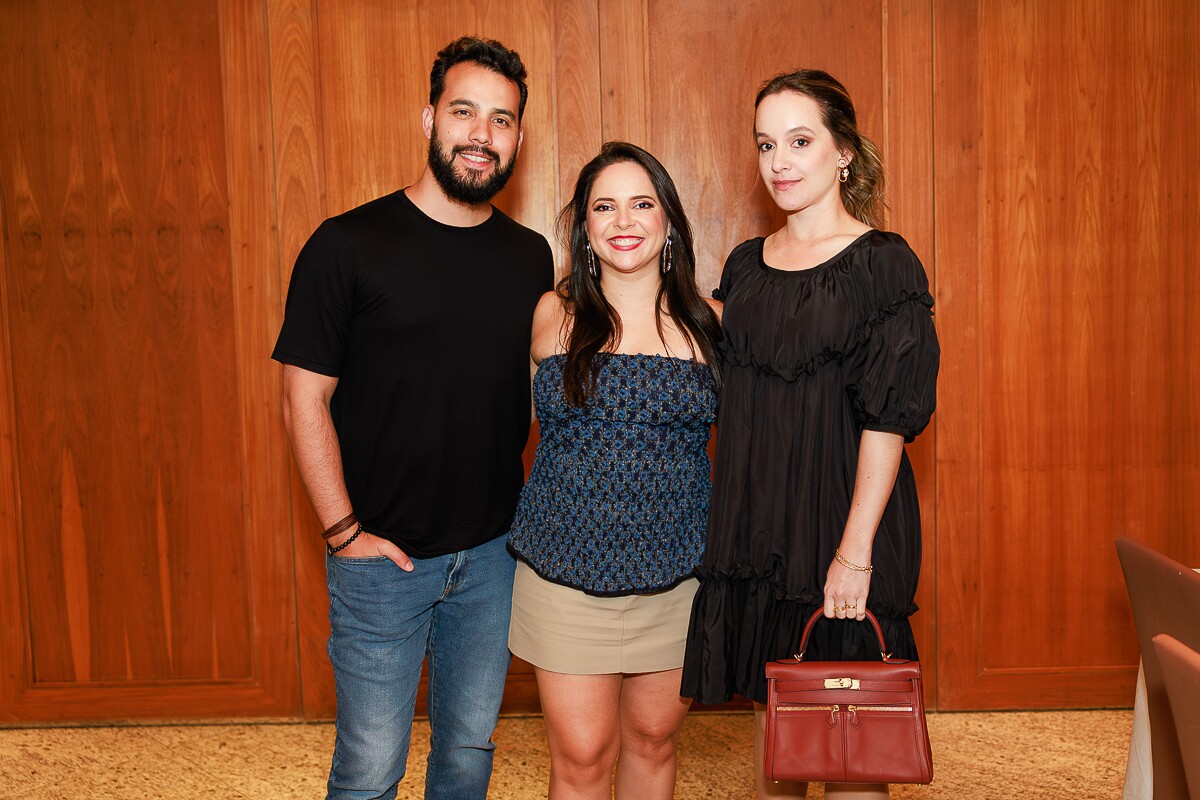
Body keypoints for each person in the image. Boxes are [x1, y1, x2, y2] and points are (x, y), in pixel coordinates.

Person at [271, 37, 553, 800]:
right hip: (379, 564)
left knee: (467, 755)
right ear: (429, 117)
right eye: (464, 112)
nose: (481, 135)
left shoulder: (531, 259)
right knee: (369, 772)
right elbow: (304, 400)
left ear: (519, 138)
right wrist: (343, 533)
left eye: (501, 120)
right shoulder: (346, 245)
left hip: (493, 558)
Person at [680, 70, 940, 800]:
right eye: (766, 144)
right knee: (782, 754)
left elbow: (889, 422)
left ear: (844, 151)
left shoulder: (884, 263)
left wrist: (853, 555)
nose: (780, 162)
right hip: (757, 534)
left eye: (800, 140)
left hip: (842, 534)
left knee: (854, 757)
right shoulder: (743, 267)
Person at [506, 141, 722, 800]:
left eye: (641, 203)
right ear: (586, 229)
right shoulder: (555, 315)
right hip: (564, 572)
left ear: (669, 224)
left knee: (654, 742)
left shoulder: (710, 327)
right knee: (581, 754)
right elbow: (502, 430)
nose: (623, 220)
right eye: (604, 206)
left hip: (679, 575)